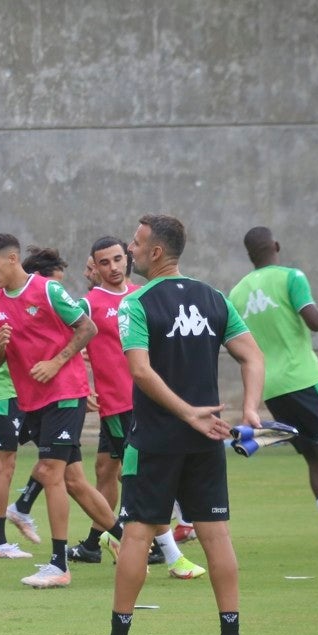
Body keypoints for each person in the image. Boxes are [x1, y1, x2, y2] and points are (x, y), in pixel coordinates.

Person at [95, 214, 264, 635]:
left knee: (135, 537)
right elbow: (252, 357)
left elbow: (139, 370)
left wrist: (187, 413)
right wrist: (251, 408)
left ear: (155, 252)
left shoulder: (136, 302)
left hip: (153, 441)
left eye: (135, 243)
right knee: (216, 536)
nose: (129, 250)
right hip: (206, 440)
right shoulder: (214, 298)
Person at [0, 235, 124, 588]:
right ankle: (131, 540)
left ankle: (59, 564)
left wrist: (57, 362)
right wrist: (1, 347)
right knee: (74, 481)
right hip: (32, 401)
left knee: (49, 472)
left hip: (65, 393)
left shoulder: (48, 291)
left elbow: (87, 328)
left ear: (12, 259)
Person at [66, 238, 205, 579]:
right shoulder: (88, 305)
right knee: (134, 475)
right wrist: (84, 388)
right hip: (118, 408)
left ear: (127, 259)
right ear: (94, 267)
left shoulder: (145, 295)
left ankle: (105, 539)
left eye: (117, 259)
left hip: (151, 402)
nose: (113, 267)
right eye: (104, 262)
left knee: (118, 472)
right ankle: (169, 555)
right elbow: (68, 347)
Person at [229, 226, 318, 551]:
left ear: (249, 254)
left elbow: (237, 344)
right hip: (307, 379)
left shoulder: (237, 293)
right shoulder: (292, 277)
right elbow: (316, 321)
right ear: (276, 245)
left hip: (271, 387)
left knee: (313, 458)